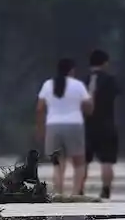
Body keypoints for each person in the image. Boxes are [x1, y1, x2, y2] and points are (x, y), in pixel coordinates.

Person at [36, 58, 93, 196]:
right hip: (74, 125)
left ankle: (59, 194)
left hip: (53, 126)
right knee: (79, 163)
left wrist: (40, 129)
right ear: (72, 70)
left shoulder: (48, 85)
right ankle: (75, 194)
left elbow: (40, 108)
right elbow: (88, 108)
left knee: (58, 165)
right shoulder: (78, 85)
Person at [84, 49, 122, 200]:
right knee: (107, 161)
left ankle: (79, 188)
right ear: (105, 63)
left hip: (87, 126)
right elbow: (118, 93)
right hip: (107, 124)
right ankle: (105, 190)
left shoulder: (83, 81)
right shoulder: (110, 80)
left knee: (83, 161)